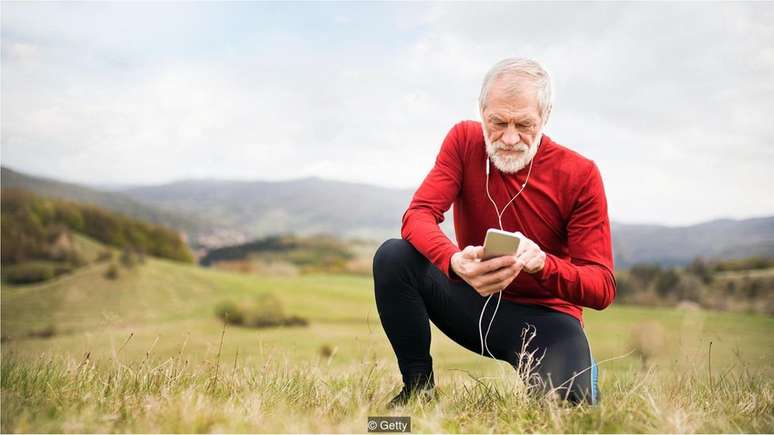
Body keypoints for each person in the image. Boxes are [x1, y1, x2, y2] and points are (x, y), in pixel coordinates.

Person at [373, 58, 616, 408]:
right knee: (394, 256)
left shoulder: (580, 174)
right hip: (470, 300)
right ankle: (418, 391)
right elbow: (419, 215)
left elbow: (602, 287)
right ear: (481, 111)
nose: (510, 138)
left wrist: (544, 264)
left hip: (545, 320)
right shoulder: (463, 140)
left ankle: (579, 369)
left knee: (569, 411)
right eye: (498, 122)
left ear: (545, 115)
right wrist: (454, 261)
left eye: (524, 124)